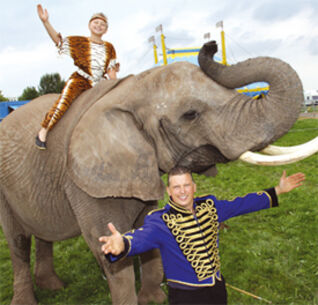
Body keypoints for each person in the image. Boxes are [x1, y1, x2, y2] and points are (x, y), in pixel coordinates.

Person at [99, 166, 305, 305]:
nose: (182, 191)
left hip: (217, 288)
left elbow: (241, 204)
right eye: (176, 187)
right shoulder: (161, 221)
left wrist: (278, 190)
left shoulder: (210, 206)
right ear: (169, 191)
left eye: (186, 185)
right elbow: (141, 238)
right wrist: (122, 244)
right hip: (186, 296)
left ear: (194, 188)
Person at [35, 4, 119, 150]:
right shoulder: (79, 41)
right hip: (81, 80)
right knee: (64, 102)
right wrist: (45, 22)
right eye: (96, 22)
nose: (99, 26)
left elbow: (111, 72)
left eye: (102, 24)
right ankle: (44, 130)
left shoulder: (110, 47)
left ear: (106, 30)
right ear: (89, 25)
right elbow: (58, 41)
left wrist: (117, 88)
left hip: (99, 83)